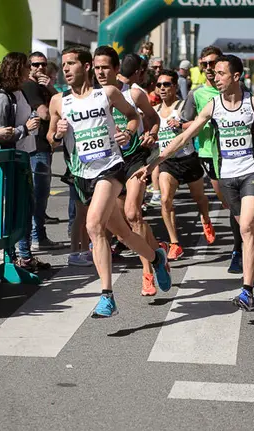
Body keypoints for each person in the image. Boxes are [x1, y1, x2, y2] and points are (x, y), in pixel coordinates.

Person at [136, 55, 254, 312]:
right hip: (227, 175)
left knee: (246, 226)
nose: (216, 77)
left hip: (251, 172)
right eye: (214, 73)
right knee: (247, 229)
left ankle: (247, 290)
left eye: (222, 73)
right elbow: (183, 137)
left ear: (236, 76)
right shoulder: (213, 105)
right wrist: (154, 163)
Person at [47, 47, 172, 317]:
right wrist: (56, 135)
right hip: (82, 174)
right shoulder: (58, 101)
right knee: (123, 233)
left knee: (94, 225)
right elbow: (50, 139)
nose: (66, 69)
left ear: (87, 66)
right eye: (63, 64)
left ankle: (107, 296)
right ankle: (155, 257)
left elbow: (133, 116)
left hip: (110, 168)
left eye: (71, 64)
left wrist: (128, 133)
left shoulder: (107, 94)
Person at [94, 47, 162, 295]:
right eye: (96, 68)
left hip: (134, 158)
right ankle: (157, 253)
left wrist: (150, 133)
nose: (100, 73)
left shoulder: (134, 93)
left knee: (133, 214)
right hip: (109, 163)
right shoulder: (91, 97)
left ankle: (147, 273)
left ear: (115, 69)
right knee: (123, 225)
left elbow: (154, 118)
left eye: (105, 68)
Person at [183, 46, 245, 273]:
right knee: (229, 204)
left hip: (237, 156)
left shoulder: (237, 89)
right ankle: (252, 235)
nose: (209, 69)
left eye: (213, 64)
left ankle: (238, 249)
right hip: (209, 154)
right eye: (205, 64)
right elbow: (184, 122)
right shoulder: (196, 94)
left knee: (235, 206)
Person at [151, 69, 215, 260]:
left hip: (188, 159)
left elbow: (197, 123)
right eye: (159, 85)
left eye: (167, 84)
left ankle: (205, 217)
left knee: (199, 198)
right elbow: (151, 132)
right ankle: (175, 243)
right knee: (165, 200)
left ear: (175, 86)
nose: (162, 88)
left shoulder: (182, 106)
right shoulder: (154, 112)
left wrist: (180, 126)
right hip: (167, 163)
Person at [0, 52, 47, 272]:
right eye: (27, 66)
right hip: (12, 160)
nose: (31, 70)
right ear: (17, 69)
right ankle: (16, 255)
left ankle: (24, 255)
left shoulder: (20, 92)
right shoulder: (3, 96)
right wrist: (25, 129)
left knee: (27, 207)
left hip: (25, 155)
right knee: (18, 208)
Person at [24, 51, 64, 246]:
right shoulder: (30, 86)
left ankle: (37, 235)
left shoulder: (43, 86)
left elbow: (65, 104)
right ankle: (37, 236)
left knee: (41, 193)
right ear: (29, 66)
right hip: (36, 146)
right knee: (39, 194)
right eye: (35, 65)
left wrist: (50, 86)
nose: (40, 68)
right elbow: (46, 115)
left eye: (43, 64)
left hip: (44, 145)